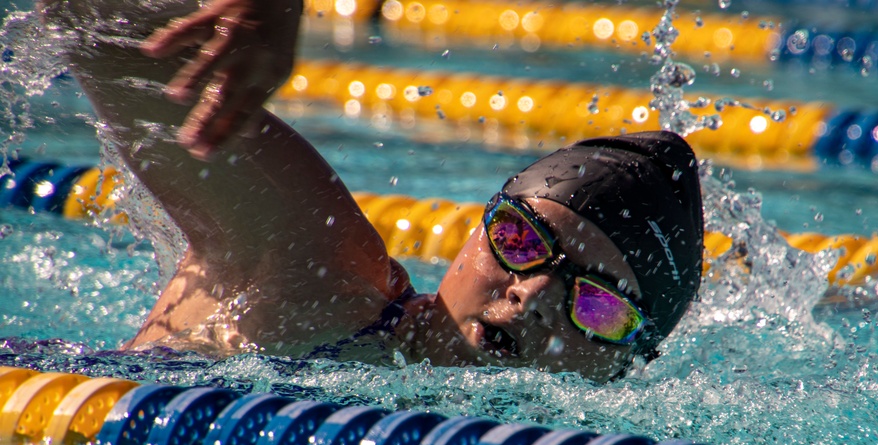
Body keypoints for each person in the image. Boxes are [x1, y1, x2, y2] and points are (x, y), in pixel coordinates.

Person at [38, 0, 704, 382]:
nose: (530, 292)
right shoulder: (308, 269)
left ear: (625, 365)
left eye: (595, 305)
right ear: (477, 231)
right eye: (520, 240)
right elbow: (88, 23)